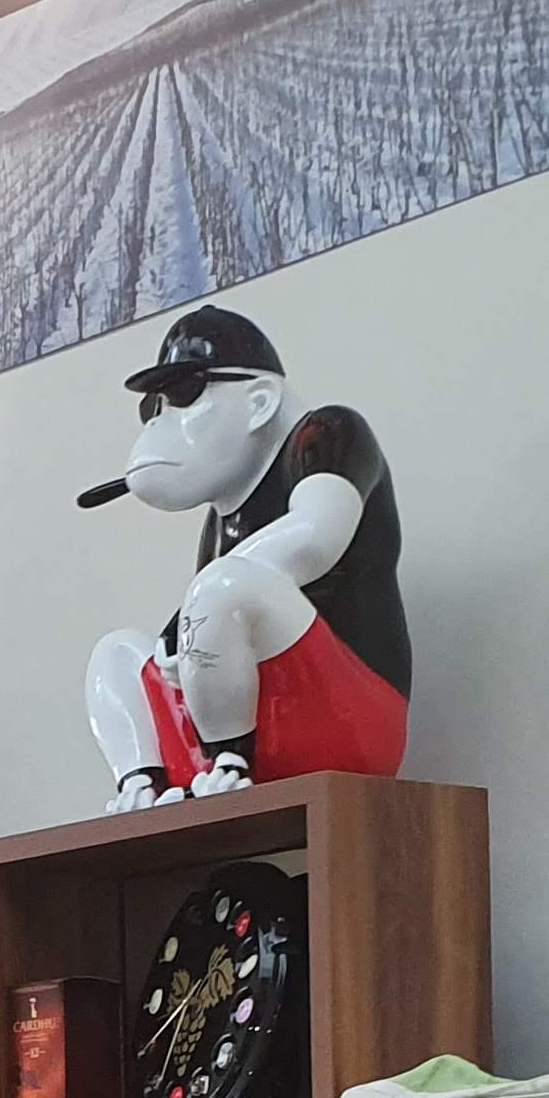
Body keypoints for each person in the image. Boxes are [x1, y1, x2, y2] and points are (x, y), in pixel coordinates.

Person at [79, 303, 411, 811]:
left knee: (221, 588)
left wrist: (193, 613)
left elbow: (316, 537)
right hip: (257, 730)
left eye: (183, 395)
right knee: (116, 652)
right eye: (152, 409)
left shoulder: (328, 435)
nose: (159, 424)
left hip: (349, 727)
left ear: (259, 402)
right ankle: (141, 783)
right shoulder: (223, 514)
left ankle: (229, 764)